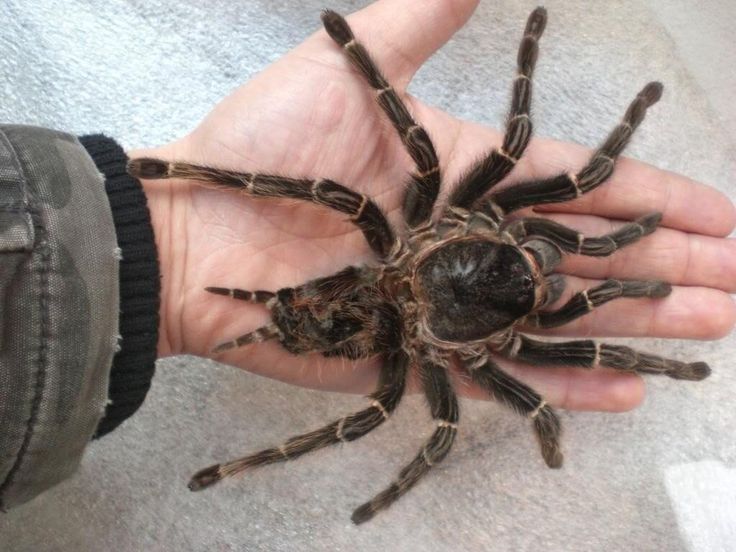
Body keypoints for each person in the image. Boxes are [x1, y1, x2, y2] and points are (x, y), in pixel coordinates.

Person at [1, 0, 734, 511]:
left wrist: (630, 322)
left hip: (380, 286)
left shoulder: (439, 222)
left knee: (352, 202)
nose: (538, 262)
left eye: (539, 284)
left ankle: (183, 189)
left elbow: (495, 157)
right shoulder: (479, 323)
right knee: (419, 398)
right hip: (380, 308)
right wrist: (365, 66)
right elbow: (535, 381)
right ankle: (187, 188)